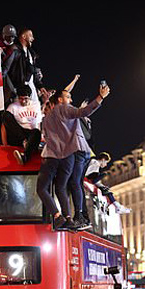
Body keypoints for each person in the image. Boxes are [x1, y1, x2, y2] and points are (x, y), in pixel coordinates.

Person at [36, 83, 109, 231]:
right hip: (68, 156)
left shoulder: (47, 119)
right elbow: (85, 111)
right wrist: (100, 97)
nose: (70, 100)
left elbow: (46, 137)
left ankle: (58, 216)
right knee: (63, 186)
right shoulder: (65, 109)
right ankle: (70, 218)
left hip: (52, 156)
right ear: (60, 100)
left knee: (43, 188)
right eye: (67, 97)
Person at [1, 28, 47, 105]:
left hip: (30, 89)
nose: (33, 38)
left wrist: (40, 86)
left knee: (34, 113)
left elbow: (32, 72)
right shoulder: (15, 50)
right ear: (24, 36)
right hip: (19, 91)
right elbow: (5, 70)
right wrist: (11, 89)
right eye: (30, 36)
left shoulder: (31, 53)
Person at [3, 85, 42, 165]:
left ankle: (25, 157)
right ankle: (24, 141)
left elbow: (38, 123)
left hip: (31, 136)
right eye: (21, 98)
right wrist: (5, 144)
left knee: (36, 132)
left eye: (25, 99)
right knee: (6, 115)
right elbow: (4, 126)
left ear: (30, 97)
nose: (23, 101)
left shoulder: (36, 105)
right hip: (18, 135)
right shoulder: (13, 107)